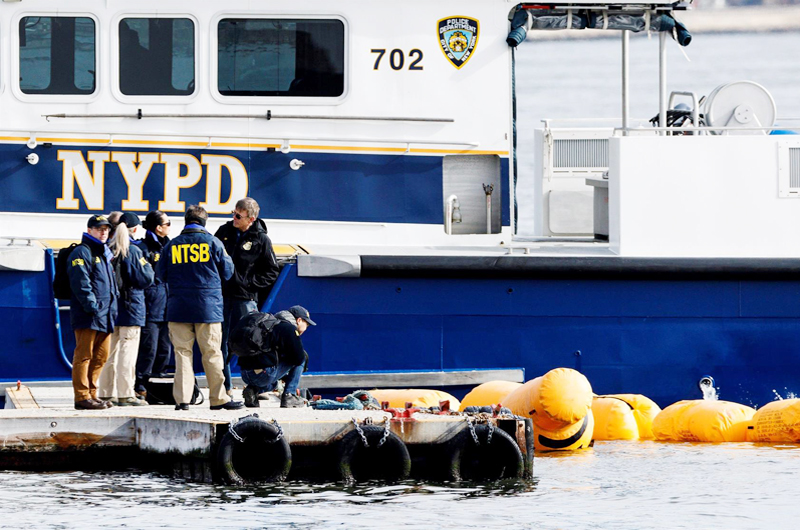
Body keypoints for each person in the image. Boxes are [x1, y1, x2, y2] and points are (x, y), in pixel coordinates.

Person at [157, 205, 243, 410]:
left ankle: (183, 400)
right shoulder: (214, 243)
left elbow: (160, 275)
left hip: (178, 308)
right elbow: (228, 272)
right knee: (212, 354)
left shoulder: (172, 245)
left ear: (186, 221)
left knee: (182, 353)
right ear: (204, 222)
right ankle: (218, 398)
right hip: (208, 308)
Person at [214, 197, 280, 395]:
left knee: (251, 341)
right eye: (233, 213)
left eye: (238, 215)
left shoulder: (261, 239)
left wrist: (249, 284)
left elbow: (271, 271)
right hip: (223, 297)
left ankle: (259, 385)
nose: (233, 218)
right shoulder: (224, 232)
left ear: (250, 219)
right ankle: (225, 386)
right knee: (221, 342)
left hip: (245, 299)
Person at [98, 212, 154, 406]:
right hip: (132, 306)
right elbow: (146, 278)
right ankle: (125, 393)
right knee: (128, 351)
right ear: (135, 229)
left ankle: (105, 392)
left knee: (109, 352)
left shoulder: (106, 250)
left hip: (111, 307)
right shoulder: (134, 251)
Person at [67, 214, 118, 410]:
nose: (103, 232)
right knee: (84, 355)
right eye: (99, 229)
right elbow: (81, 283)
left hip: (105, 315)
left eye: (106, 229)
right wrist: (92, 307)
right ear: (89, 231)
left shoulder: (104, 253)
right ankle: (81, 396)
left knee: (101, 356)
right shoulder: (82, 252)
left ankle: (92, 394)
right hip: (88, 314)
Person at [233, 305, 316, 409]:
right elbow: (298, 358)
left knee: (274, 384)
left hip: (245, 373)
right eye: (307, 324)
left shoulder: (270, 323)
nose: (306, 328)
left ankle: (253, 390)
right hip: (263, 374)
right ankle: (289, 395)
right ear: (299, 320)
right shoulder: (289, 328)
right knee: (303, 356)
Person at [134, 210, 173, 398]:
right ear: (158, 228)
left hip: (168, 306)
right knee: (148, 348)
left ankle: (158, 387)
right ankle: (141, 384)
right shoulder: (143, 248)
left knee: (165, 348)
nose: (169, 227)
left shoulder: (170, 246)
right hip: (150, 307)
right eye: (168, 224)